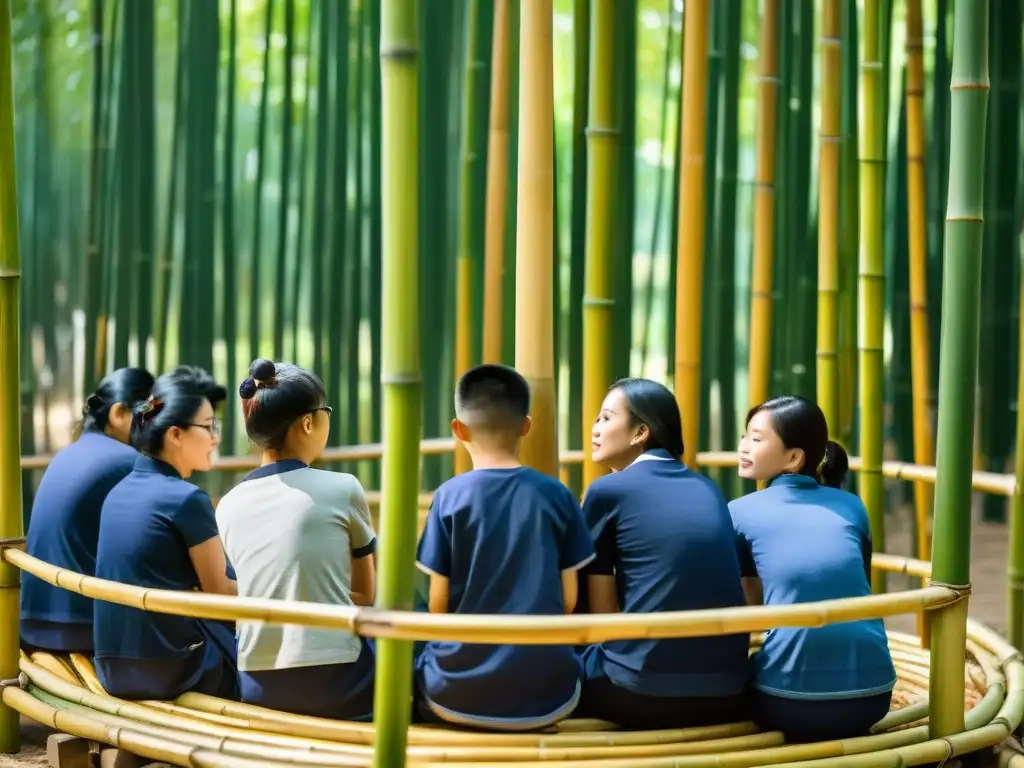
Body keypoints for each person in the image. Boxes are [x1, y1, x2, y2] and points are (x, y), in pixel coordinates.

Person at [414, 363, 595, 730]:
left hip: (455, 695)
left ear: (458, 429)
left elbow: (437, 605)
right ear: (526, 426)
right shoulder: (558, 496)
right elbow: (569, 600)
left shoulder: (449, 497)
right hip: (552, 696)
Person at [574, 378, 751, 729]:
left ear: (641, 432)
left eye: (606, 418)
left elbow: (599, 616)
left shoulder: (607, 491)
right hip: (729, 691)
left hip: (639, 694)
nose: (595, 429)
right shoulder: (708, 488)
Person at [216, 358, 377, 721]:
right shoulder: (342, 488)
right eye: (326, 412)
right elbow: (367, 595)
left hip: (259, 689)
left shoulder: (227, 505)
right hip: (340, 685)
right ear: (308, 422)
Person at [730, 394, 895, 743]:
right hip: (874, 696)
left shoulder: (740, 512)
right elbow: (856, 586)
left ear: (794, 458)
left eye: (756, 439)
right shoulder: (852, 506)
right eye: (745, 435)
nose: (744, 446)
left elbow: (746, 609)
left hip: (788, 703)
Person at [92, 366, 239, 701]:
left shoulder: (118, 491)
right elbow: (225, 598)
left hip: (112, 670)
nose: (215, 437)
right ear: (175, 434)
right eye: (207, 426)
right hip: (170, 670)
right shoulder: (187, 499)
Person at [20, 368, 155, 654]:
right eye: (152, 413)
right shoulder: (128, 462)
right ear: (119, 413)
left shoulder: (68, 453)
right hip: (83, 629)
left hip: (31, 623)